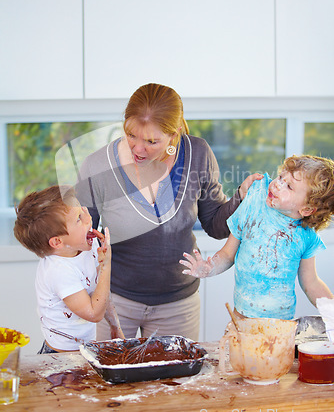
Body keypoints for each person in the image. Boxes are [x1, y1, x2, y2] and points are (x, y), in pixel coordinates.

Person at [75, 83, 261, 340]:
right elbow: (80, 238)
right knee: (115, 379)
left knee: (173, 379)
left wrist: (240, 197)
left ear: (173, 135)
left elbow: (215, 225)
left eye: (152, 141)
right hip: (114, 300)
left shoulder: (197, 154)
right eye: (131, 135)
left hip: (177, 304)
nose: (137, 149)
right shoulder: (97, 166)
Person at [180, 155, 334, 320]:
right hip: (241, 318)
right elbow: (228, 254)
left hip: (281, 325)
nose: (277, 184)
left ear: (307, 209)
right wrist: (210, 267)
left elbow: (311, 283)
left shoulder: (306, 237)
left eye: (289, 186)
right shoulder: (254, 205)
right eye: (281, 176)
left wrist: (331, 311)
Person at [13, 185, 123, 353]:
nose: (88, 218)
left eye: (83, 209)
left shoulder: (88, 245)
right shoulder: (58, 271)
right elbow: (93, 313)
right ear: (57, 242)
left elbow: (99, 292)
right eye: (79, 218)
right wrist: (106, 266)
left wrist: (115, 327)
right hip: (59, 358)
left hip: (84, 350)